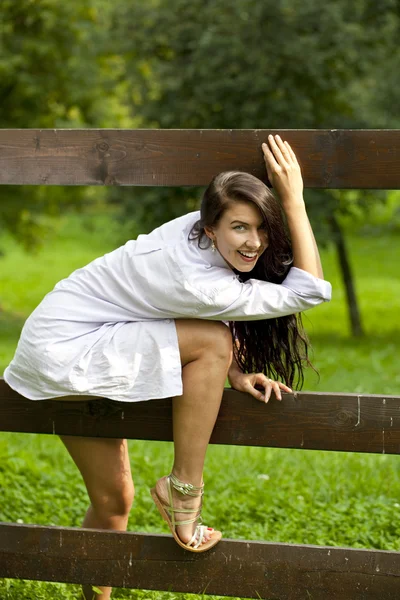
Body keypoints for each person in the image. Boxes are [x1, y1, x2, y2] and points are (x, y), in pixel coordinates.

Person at [4, 135, 331, 599]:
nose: (255, 243)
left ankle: (95, 598)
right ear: (211, 229)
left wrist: (234, 370)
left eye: (262, 228)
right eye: (240, 227)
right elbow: (310, 291)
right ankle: (184, 490)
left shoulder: (189, 233)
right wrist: (293, 200)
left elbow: (181, 309)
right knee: (215, 339)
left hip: (57, 347)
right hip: (69, 351)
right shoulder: (196, 281)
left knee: (115, 501)